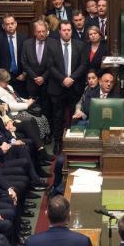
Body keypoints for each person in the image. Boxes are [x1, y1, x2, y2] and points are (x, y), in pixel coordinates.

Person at [47, 20, 86, 154]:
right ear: (59, 31)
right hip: (58, 87)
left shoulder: (80, 45)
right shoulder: (52, 46)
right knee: (57, 117)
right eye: (64, 30)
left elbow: (83, 65)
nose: (67, 32)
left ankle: (73, 142)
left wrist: (72, 78)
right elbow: (50, 66)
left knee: (74, 116)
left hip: (75, 87)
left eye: (69, 30)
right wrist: (63, 79)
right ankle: (58, 143)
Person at [0, 14, 28, 97]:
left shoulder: (23, 37)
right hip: (4, 77)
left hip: (20, 75)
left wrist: (25, 73)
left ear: (16, 24)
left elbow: (27, 57)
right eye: (7, 24)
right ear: (3, 26)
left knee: (21, 98)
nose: (10, 26)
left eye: (12, 23)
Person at [21, 19, 55, 118]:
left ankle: (48, 132)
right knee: (33, 109)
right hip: (32, 82)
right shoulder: (27, 44)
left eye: (43, 31)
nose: (41, 34)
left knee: (48, 108)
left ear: (47, 31)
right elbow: (24, 62)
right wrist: (35, 77)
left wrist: (43, 77)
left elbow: (55, 63)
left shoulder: (53, 43)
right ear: (34, 32)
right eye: (39, 32)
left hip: (48, 82)